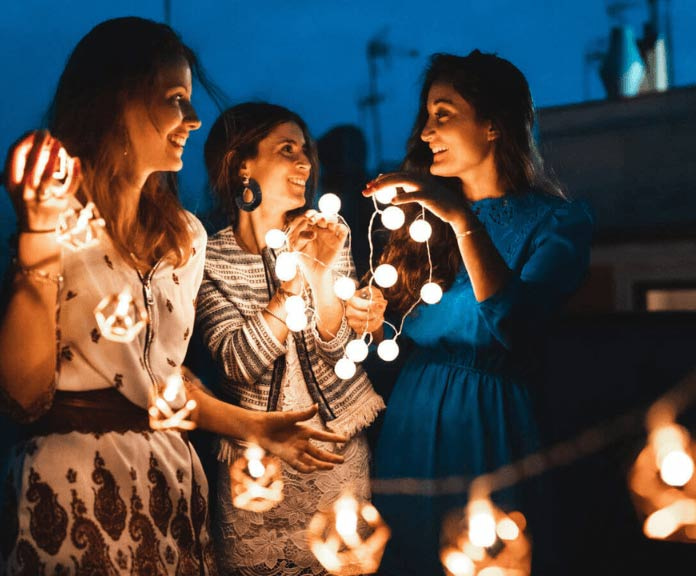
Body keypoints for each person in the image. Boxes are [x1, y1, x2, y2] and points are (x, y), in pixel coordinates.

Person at [0, 17, 345, 574]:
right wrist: (37, 244)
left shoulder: (185, 236)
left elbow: (162, 380)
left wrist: (253, 426)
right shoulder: (54, 215)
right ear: (117, 100)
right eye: (175, 99)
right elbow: (22, 396)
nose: (193, 118)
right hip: (71, 483)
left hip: (168, 485)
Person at [363, 50, 593, 575]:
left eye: (443, 114)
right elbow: (395, 333)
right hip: (413, 418)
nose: (425, 132)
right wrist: (369, 315)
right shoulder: (420, 224)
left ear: (493, 126)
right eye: (425, 116)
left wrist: (460, 217)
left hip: (493, 421)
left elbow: (514, 324)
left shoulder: (557, 224)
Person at [197, 101, 385, 575]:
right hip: (257, 465)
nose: (305, 163)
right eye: (287, 149)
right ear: (242, 165)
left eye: (306, 151)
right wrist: (293, 283)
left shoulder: (329, 233)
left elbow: (337, 350)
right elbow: (238, 363)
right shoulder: (208, 258)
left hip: (334, 454)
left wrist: (327, 277)